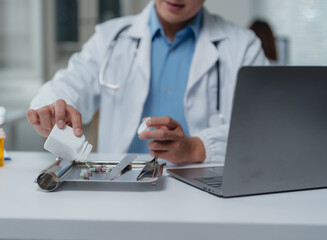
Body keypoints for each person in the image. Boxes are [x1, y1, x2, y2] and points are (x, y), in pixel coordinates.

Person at [27, 0, 268, 164]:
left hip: (202, 188)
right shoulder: (110, 38)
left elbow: (265, 127)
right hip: (122, 187)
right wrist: (51, 108)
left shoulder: (243, 46)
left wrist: (196, 147)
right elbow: (68, 83)